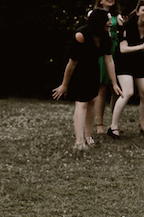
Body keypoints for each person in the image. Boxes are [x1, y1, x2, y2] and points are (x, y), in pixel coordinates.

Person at [52, 9, 122, 150]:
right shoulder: (81, 35)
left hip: (93, 70)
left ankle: (88, 136)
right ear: (99, 22)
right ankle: (79, 142)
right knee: (82, 103)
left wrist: (114, 83)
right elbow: (72, 63)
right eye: (108, 20)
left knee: (92, 102)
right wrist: (65, 85)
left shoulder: (105, 36)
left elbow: (109, 61)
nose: (110, 22)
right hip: (78, 71)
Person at [108, 0, 144, 137]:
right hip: (123, 61)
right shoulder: (127, 25)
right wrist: (143, 46)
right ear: (138, 12)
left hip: (138, 60)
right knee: (128, 92)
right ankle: (113, 127)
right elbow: (123, 49)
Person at [91, 0, 123, 137]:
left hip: (116, 50)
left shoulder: (118, 15)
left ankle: (114, 123)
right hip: (103, 52)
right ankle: (99, 124)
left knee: (115, 88)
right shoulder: (94, 14)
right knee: (103, 88)